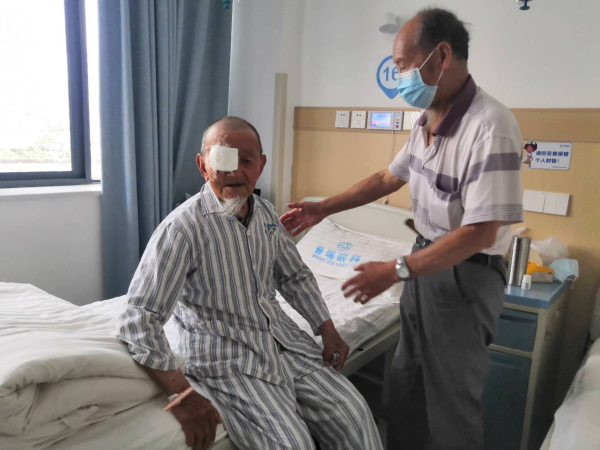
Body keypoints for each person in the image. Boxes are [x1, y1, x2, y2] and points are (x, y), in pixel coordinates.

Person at [281, 8, 524, 450]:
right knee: (407, 391)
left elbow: (481, 232)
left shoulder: (491, 127)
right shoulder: (426, 120)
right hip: (423, 263)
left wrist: (394, 271)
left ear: (441, 56)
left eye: (402, 65)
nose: (398, 77)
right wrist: (323, 208)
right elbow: (386, 179)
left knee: (450, 405)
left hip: (464, 275)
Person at [117, 116, 383, 450]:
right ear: (203, 165)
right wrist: (181, 393)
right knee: (292, 444)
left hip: (286, 345)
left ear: (261, 166)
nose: (235, 171)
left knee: (354, 414)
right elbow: (139, 317)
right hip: (229, 359)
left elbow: (294, 276)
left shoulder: (267, 216)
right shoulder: (183, 229)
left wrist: (326, 329)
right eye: (223, 159)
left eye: (246, 161)